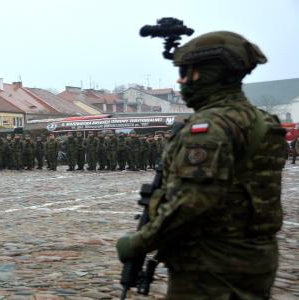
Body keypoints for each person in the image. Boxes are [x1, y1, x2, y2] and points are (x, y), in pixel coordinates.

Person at [116, 31, 287, 299]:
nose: (180, 80)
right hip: (256, 256)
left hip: (212, 265)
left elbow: (191, 204)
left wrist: (137, 243)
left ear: (205, 74)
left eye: (185, 72)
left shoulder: (209, 128)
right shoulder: (262, 121)